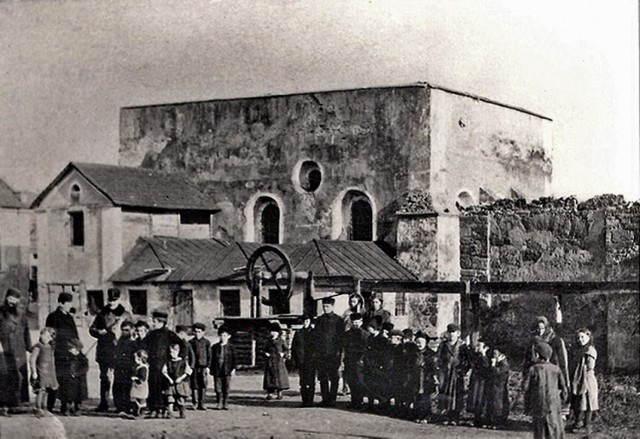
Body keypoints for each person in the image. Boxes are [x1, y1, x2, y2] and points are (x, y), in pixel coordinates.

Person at [89, 288, 131, 412]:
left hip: (120, 349)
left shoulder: (125, 314)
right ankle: (104, 403)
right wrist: (98, 332)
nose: (111, 302)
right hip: (104, 349)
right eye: (110, 300)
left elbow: (131, 331)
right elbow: (92, 329)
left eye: (114, 300)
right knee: (104, 377)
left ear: (119, 299)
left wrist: (121, 333)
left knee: (121, 377)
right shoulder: (102, 313)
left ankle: (122, 404)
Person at [527, 316, 569, 418]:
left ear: (546, 328)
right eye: (537, 329)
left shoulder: (556, 340)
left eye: (542, 328)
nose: (540, 331)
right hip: (538, 373)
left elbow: (562, 360)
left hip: (553, 371)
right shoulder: (533, 341)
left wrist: (562, 375)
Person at [524, 342, 567, 439]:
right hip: (553, 403)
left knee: (539, 430)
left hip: (538, 403)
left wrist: (527, 404)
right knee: (554, 428)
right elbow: (564, 389)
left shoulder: (533, 369)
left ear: (538, 355)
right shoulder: (556, 369)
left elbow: (525, 387)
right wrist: (563, 401)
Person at [143, 310, 182, 418]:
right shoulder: (151, 334)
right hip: (153, 366)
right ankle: (154, 409)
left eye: (154, 321)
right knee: (153, 387)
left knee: (164, 389)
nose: (152, 323)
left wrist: (176, 359)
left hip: (165, 367)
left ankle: (164, 409)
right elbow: (143, 346)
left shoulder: (170, 334)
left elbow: (181, 346)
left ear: (161, 322)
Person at [45, 292, 78, 413]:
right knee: (55, 379)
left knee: (67, 379)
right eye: (68, 303)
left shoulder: (70, 317)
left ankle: (65, 405)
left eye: (71, 302)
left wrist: (77, 348)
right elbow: (49, 334)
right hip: (58, 352)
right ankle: (49, 405)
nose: (70, 305)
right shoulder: (53, 317)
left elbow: (75, 335)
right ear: (61, 303)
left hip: (70, 353)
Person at [0, 288, 32, 410]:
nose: (11, 302)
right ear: (6, 298)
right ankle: (4, 403)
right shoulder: (0, 311)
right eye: (10, 299)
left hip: (19, 347)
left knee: (19, 374)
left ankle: (18, 402)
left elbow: (26, 331)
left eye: (14, 300)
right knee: (5, 374)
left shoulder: (21, 314)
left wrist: (29, 347)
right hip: (4, 346)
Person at [313, 297, 345, 407]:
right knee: (322, 377)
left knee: (334, 377)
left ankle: (332, 399)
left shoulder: (339, 320)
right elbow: (316, 337)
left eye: (327, 306)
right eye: (324, 306)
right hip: (321, 353)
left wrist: (339, 352)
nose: (325, 308)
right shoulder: (319, 320)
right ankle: (325, 399)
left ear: (332, 307)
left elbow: (341, 338)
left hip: (333, 353)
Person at [437, 323, 469, 425]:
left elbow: (468, 361)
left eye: (453, 333)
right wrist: (440, 369)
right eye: (449, 332)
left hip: (457, 374)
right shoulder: (443, 345)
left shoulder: (462, 346)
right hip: (445, 373)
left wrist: (463, 371)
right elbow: (438, 359)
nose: (451, 335)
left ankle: (455, 418)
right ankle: (446, 416)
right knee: (445, 393)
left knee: (457, 395)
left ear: (458, 334)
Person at [568, 328, 599, 435]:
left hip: (587, 378)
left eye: (582, 337)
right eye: (578, 337)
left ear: (588, 337)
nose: (580, 339)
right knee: (577, 400)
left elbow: (590, 366)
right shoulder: (576, 350)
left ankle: (587, 425)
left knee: (588, 402)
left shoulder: (589, 350)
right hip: (577, 378)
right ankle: (578, 423)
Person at [29, 327, 58, 417]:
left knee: (47, 390)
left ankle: (44, 408)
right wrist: (34, 372)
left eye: (48, 337)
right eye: (44, 335)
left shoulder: (50, 347)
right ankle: (38, 408)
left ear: (52, 338)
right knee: (40, 390)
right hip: (40, 371)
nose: (45, 338)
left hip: (48, 372)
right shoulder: (38, 347)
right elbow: (32, 360)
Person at [343, 313, 368, 409]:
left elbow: (366, 349)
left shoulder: (365, 334)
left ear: (361, 322)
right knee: (351, 381)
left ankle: (360, 402)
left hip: (360, 361)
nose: (355, 324)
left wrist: (362, 360)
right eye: (353, 322)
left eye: (357, 322)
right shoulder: (347, 334)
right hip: (349, 360)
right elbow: (345, 347)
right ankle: (354, 401)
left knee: (359, 381)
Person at [413, 330, 439, 424]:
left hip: (426, 378)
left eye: (421, 343)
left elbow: (434, 368)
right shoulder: (413, 352)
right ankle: (418, 415)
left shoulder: (431, 354)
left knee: (426, 398)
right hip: (416, 377)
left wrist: (435, 378)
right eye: (417, 342)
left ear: (426, 343)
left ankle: (426, 416)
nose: (419, 345)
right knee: (417, 397)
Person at [291, 314, 316, 407]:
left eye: (307, 321)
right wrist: (294, 360)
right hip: (301, 361)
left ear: (310, 322)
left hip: (311, 361)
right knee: (303, 382)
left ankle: (310, 401)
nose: (305, 323)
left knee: (311, 382)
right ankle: (304, 401)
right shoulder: (298, 333)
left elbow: (317, 347)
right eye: (304, 321)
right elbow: (294, 347)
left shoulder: (314, 333)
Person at [482, 347, 510, 429]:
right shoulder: (499, 362)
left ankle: (497, 423)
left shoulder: (504, 364)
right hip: (494, 387)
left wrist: (493, 365)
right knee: (491, 404)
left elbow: (496, 372)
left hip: (499, 388)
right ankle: (490, 421)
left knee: (497, 406)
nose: (493, 357)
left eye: (495, 354)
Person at [210, 325, 237, 410]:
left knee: (226, 387)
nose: (223, 337)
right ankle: (219, 402)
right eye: (221, 335)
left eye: (225, 336)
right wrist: (210, 368)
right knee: (218, 387)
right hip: (217, 369)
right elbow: (211, 358)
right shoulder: (214, 347)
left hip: (227, 369)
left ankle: (225, 403)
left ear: (229, 336)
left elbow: (234, 359)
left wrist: (233, 369)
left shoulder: (231, 347)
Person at [60, 338, 89, 416]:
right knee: (68, 395)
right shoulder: (67, 357)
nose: (69, 350)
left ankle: (78, 408)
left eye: (71, 348)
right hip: (69, 380)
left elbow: (85, 368)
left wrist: (77, 373)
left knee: (78, 396)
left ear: (77, 349)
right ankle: (66, 408)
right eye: (68, 348)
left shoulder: (82, 358)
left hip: (79, 380)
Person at [113, 320, 137, 414]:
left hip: (129, 368)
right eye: (123, 330)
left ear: (131, 330)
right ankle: (119, 407)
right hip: (119, 368)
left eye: (127, 330)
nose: (124, 332)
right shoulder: (119, 341)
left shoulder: (134, 342)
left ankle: (127, 407)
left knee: (127, 388)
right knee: (117, 387)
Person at [162, 343, 190, 419]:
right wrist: (169, 379)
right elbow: (164, 371)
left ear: (178, 351)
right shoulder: (168, 362)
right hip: (171, 383)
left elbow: (188, 372)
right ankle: (170, 413)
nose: (172, 354)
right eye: (171, 352)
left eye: (174, 352)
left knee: (180, 398)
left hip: (180, 383)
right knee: (170, 398)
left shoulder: (183, 362)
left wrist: (181, 378)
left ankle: (182, 412)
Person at [262, 322, 289, 400]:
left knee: (279, 378)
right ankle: (269, 394)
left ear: (278, 332)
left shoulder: (281, 341)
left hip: (279, 362)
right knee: (269, 378)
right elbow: (263, 350)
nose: (273, 333)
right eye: (271, 331)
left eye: (274, 331)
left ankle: (279, 393)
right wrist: (265, 353)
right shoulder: (268, 341)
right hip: (270, 361)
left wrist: (283, 354)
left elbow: (286, 350)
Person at [189, 322, 211, 410]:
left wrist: (208, 366)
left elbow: (209, 355)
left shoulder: (206, 342)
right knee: (194, 384)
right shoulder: (190, 342)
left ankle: (202, 403)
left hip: (203, 366)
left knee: (203, 384)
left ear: (203, 332)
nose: (197, 334)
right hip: (194, 367)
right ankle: (195, 402)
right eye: (195, 332)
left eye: (199, 332)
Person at [130, 350, 149, 417]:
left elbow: (143, 378)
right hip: (136, 386)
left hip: (140, 386)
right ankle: (136, 411)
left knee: (141, 399)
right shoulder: (138, 366)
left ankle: (142, 411)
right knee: (135, 398)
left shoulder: (143, 368)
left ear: (139, 359)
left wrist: (135, 378)